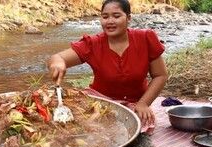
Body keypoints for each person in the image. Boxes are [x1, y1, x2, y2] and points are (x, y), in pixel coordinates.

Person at [47, 0, 168, 134]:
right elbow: (58, 57)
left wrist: (144, 103)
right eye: (105, 17)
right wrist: (58, 63)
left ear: (128, 18)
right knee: (78, 127)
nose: (110, 21)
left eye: (116, 16)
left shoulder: (145, 38)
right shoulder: (92, 44)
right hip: (100, 101)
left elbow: (160, 75)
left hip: (136, 103)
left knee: (133, 130)